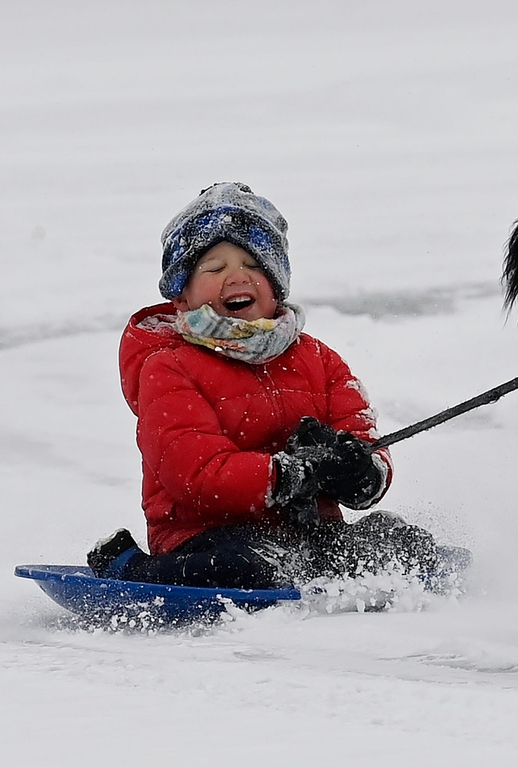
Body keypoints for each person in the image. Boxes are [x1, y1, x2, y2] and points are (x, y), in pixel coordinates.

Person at [88, 182, 466, 592]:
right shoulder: (168, 367)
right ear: (182, 297)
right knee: (249, 569)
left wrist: (358, 470)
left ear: (276, 285)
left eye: (254, 265)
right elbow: (193, 473)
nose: (237, 276)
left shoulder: (318, 359)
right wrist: (287, 475)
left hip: (308, 533)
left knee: (396, 544)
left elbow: (359, 430)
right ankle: (129, 569)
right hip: (206, 535)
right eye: (215, 268)